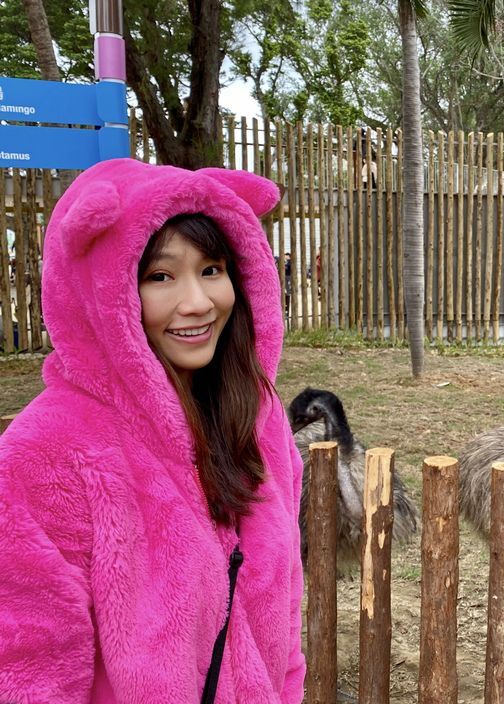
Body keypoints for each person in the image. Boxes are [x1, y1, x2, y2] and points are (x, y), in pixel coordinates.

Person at [0, 158, 305, 702]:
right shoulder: (45, 454)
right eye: (159, 277)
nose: (198, 302)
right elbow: (27, 670)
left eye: (212, 269)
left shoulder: (258, 421)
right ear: (103, 290)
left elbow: (284, 611)